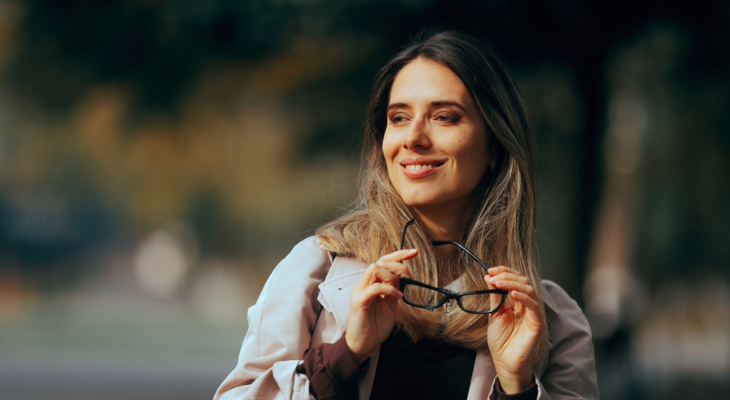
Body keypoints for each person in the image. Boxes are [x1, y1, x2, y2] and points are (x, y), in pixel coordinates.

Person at [214, 30, 599, 400]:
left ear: (495, 145)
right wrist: (345, 356)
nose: (413, 137)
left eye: (445, 117)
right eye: (398, 118)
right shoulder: (314, 270)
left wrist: (518, 386)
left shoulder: (553, 320)